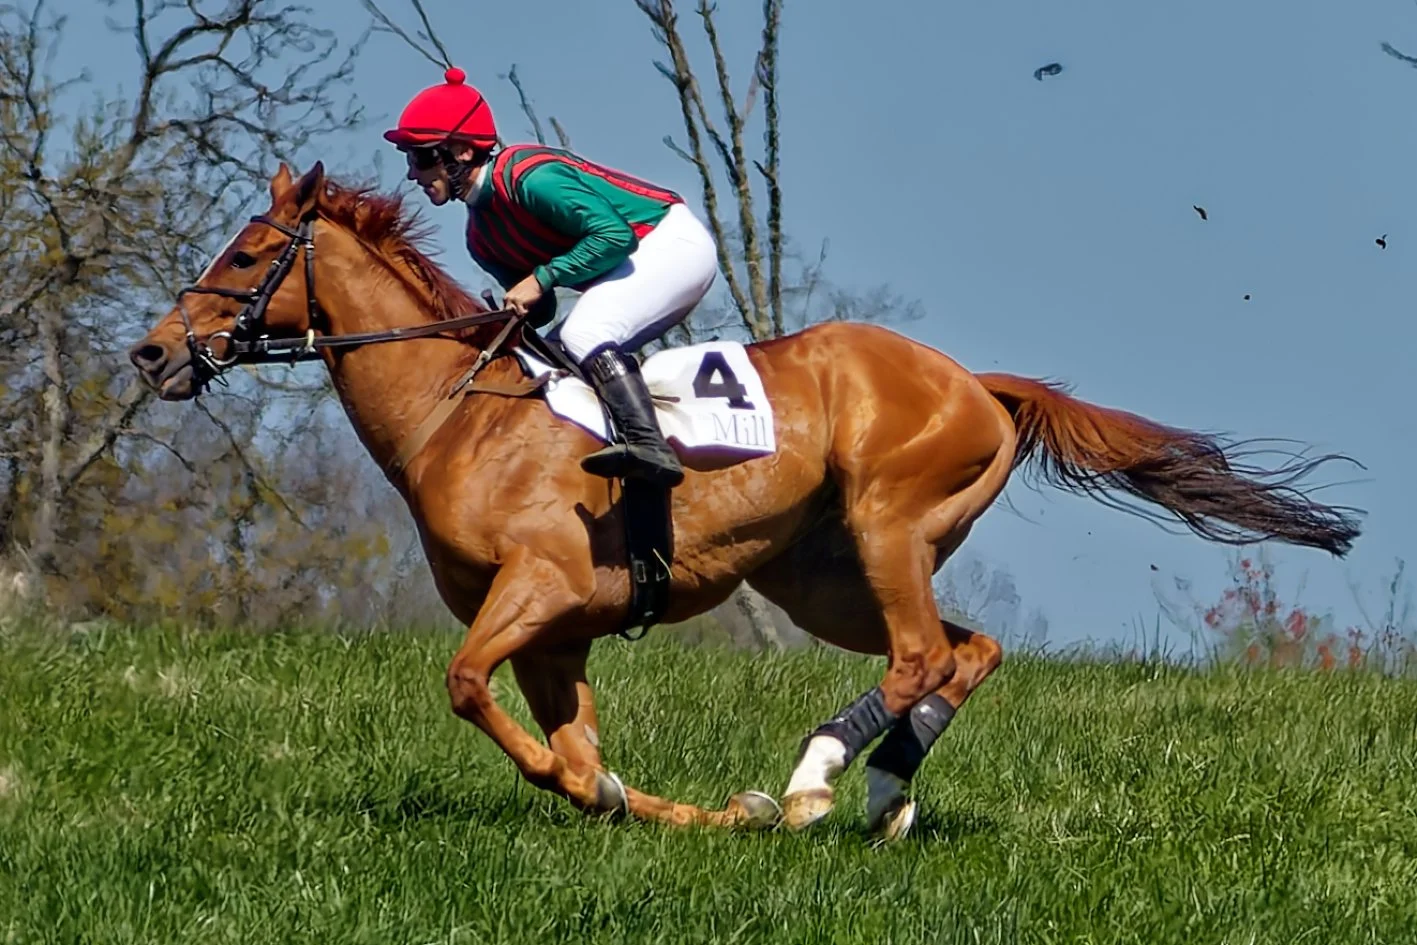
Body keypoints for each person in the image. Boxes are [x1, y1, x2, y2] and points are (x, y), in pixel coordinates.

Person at [383, 66, 720, 488]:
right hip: (630, 262)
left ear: (464, 151)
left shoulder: (530, 177)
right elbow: (540, 311)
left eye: (421, 156)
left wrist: (542, 277)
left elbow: (615, 237)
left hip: (670, 244)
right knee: (547, 364)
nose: (413, 173)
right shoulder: (480, 236)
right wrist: (502, 318)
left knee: (583, 333)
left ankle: (651, 449)